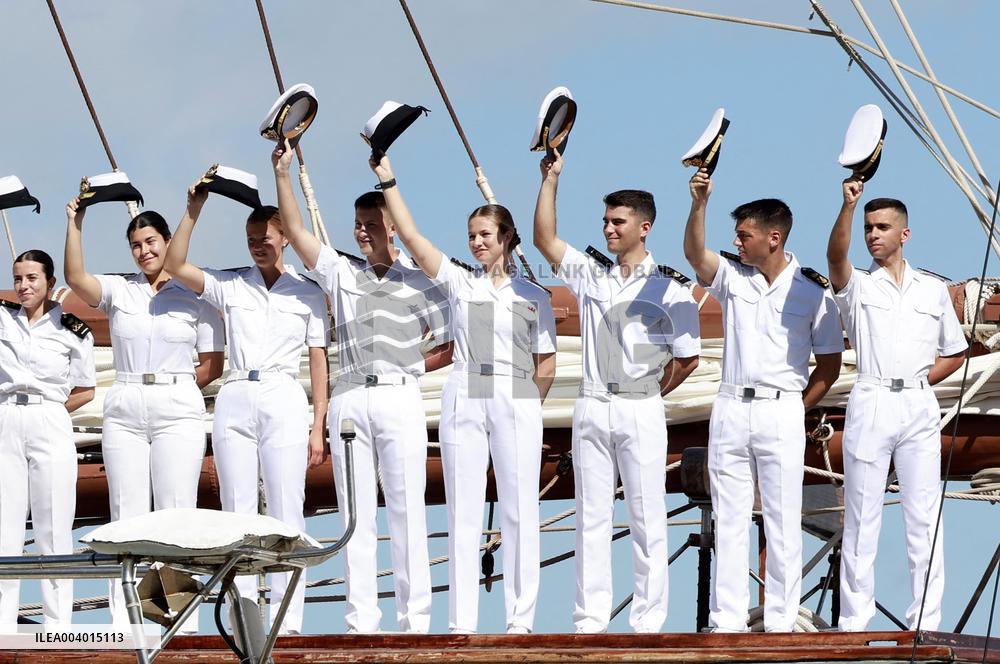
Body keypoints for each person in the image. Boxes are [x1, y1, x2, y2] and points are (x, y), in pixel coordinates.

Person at [369, 154, 556, 634]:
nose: (475, 243)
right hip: (465, 390)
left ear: (506, 239)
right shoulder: (457, 282)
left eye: (484, 235)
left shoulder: (532, 296)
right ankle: (461, 622)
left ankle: (520, 621)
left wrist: (526, 408)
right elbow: (411, 237)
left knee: (519, 509)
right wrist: (387, 178)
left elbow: (546, 363)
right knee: (463, 510)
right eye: (471, 235)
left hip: (515, 393)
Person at [272, 140, 446, 634]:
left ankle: (414, 623)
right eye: (358, 225)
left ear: (392, 227)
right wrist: (283, 175)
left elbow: (452, 344)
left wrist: (408, 365)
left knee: (407, 510)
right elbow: (299, 234)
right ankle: (361, 621)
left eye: (371, 225)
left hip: (398, 395)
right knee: (355, 516)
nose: (362, 233)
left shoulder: (422, 283)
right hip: (350, 399)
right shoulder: (341, 272)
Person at [533, 150, 701, 634]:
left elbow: (687, 358)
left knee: (647, 514)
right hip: (591, 403)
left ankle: (648, 620)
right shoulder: (591, 275)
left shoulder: (671, 289)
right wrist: (551, 177)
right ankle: (589, 619)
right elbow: (545, 238)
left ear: (644, 227)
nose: (608, 229)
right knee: (590, 516)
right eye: (606, 221)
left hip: (639, 405)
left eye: (618, 222)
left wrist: (651, 392)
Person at [163, 185, 329, 635]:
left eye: (265, 237)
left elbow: (318, 360)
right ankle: (242, 616)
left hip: (283, 394)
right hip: (237, 391)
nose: (257, 245)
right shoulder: (231, 282)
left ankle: (287, 620)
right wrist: (192, 210)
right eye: (251, 237)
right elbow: (175, 264)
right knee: (235, 510)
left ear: (286, 238)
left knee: (285, 506)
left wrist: (319, 425)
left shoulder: (308, 293)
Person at [683, 168, 843, 632]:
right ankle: (728, 620)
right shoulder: (733, 277)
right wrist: (699, 203)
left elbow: (829, 364)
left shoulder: (812, 291)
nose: (737, 243)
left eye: (744, 235)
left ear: (774, 238)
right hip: (732, 405)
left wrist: (798, 404)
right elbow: (695, 253)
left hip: (781, 407)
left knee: (781, 517)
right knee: (729, 515)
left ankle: (779, 620)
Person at [63, 200, 224, 630]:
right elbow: (75, 278)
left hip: (176, 403)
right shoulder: (121, 290)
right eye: (135, 245)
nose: (143, 251)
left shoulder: (197, 297)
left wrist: (178, 387)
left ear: (167, 242)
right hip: (127, 401)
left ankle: (181, 621)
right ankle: (126, 622)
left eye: (151, 241)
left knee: (176, 511)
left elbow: (212, 363)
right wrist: (74, 222)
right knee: (126, 515)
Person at [826, 182, 966, 631]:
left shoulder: (932, 289)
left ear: (904, 234)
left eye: (882, 227)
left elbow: (955, 350)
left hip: (917, 404)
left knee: (924, 515)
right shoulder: (857, 284)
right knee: (863, 514)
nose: (873, 234)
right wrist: (847, 206)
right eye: (868, 227)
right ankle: (854, 620)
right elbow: (835, 258)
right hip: (871, 397)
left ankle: (924, 619)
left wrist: (923, 381)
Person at [0, 250, 95, 625]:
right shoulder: (2, 319)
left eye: (32, 279)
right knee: (4, 524)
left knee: (53, 526)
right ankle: (3, 625)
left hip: (50, 416)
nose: (23, 286)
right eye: (18, 278)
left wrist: (51, 411)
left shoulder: (72, 330)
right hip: (7, 415)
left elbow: (86, 388)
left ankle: (59, 626)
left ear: (50, 283)